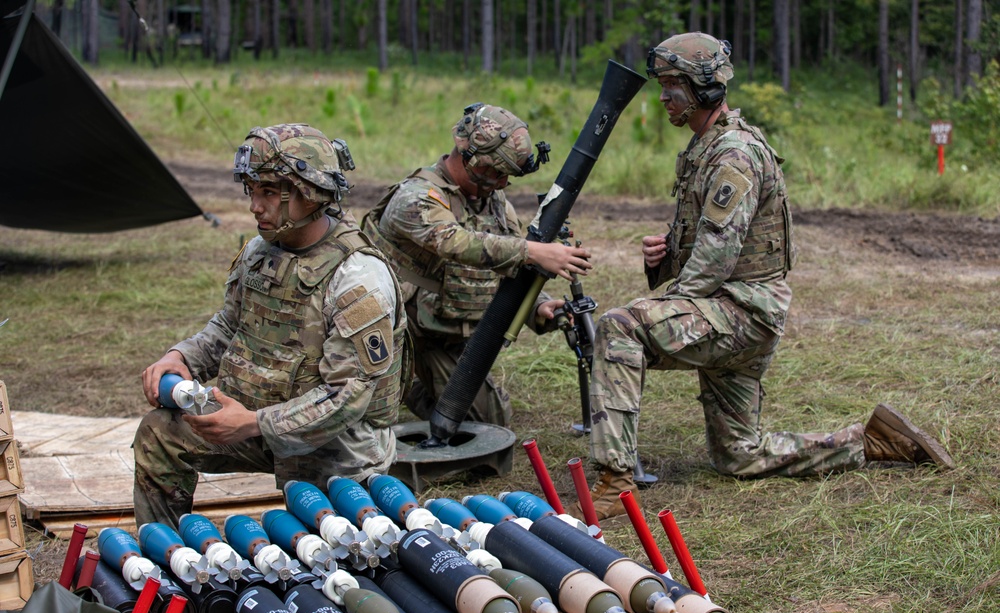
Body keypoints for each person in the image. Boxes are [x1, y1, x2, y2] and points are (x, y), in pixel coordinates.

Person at [576, 32, 954, 521]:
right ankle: (873, 443)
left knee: (620, 326)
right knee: (739, 456)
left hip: (740, 315)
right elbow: (714, 242)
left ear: (706, 88)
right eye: (662, 85)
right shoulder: (706, 146)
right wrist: (666, 257)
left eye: (674, 85)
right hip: (738, 310)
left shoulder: (733, 154)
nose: (664, 96)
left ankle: (613, 478)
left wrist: (668, 306)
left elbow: (715, 258)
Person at [132, 123, 408, 529]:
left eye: (267, 193)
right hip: (254, 422)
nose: (254, 207)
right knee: (160, 433)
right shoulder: (261, 252)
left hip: (335, 446)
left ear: (308, 194)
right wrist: (181, 356)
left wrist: (249, 423)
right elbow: (229, 325)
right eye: (252, 191)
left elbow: (347, 399)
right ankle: (165, 562)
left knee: (328, 556)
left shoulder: (358, 278)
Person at [363, 103, 592, 427]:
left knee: (489, 422)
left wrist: (538, 307)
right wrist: (533, 250)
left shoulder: (493, 201)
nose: (501, 184)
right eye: (495, 173)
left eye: (505, 176)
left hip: (443, 328)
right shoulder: (417, 196)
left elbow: (508, 264)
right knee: (383, 415)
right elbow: (456, 243)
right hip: (400, 326)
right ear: (469, 158)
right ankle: (395, 373)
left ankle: (409, 377)